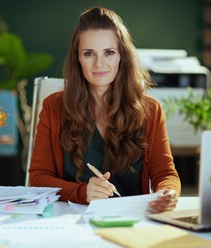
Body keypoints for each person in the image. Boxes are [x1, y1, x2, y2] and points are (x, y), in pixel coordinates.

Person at [28, 6, 181, 213]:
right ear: (78, 59)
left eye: (109, 52)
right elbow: (37, 179)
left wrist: (168, 192)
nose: (99, 64)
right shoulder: (53, 107)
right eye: (89, 53)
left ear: (121, 57)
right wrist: (83, 192)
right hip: (69, 223)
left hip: (134, 222)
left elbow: (165, 174)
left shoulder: (151, 110)